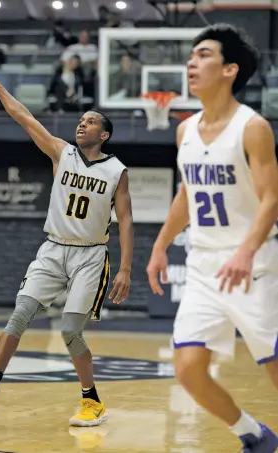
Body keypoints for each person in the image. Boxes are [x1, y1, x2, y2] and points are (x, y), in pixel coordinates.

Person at [0, 80, 134, 427]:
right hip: (53, 248)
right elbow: (26, 118)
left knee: (71, 330)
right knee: (19, 314)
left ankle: (92, 402)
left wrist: (126, 269)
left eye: (91, 121)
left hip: (90, 255)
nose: (82, 123)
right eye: (81, 120)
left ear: (104, 135)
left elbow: (127, 219)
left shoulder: (117, 172)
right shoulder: (62, 152)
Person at [147, 23, 278, 453]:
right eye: (192, 55)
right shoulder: (185, 130)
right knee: (188, 367)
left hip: (253, 266)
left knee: (274, 366)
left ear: (229, 70)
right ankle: (252, 435)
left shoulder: (252, 127)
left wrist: (246, 250)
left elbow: (270, 199)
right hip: (204, 264)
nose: (192, 62)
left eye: (203, 54)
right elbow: (188, 194)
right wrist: (161, 244)